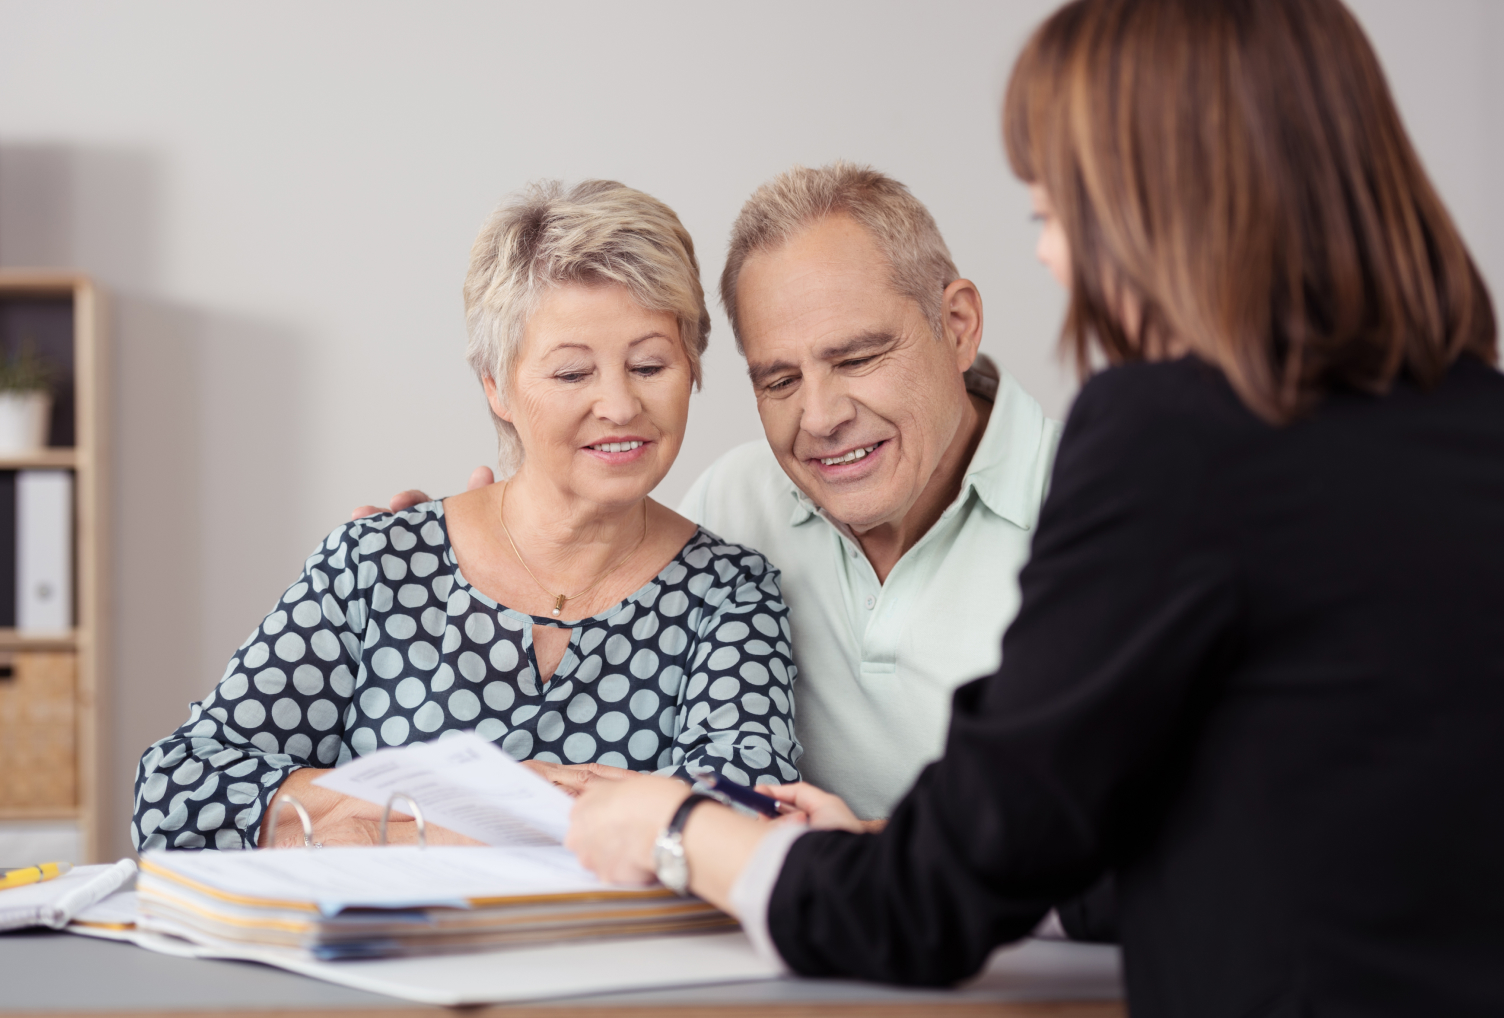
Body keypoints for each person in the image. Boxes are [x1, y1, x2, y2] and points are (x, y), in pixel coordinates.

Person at [565, 0, 1504, 1013]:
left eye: (1054, 212)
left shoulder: (1171, 438)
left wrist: (682, 831)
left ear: (1159, 199)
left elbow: (925, 910)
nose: (1053, 256)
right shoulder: (1475, 428)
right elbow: (1243, 829)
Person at [364, 162, 1063, 828]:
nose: (820, 418)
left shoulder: (1112, 508)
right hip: (813, 937)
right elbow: (606, 572)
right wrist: (445, 551)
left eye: (856, 359)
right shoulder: (738, 499)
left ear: (960, 325)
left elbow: (1145, 832)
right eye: (779, 380)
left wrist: (874, 852)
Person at [131, 179, 801, 851]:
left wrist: (384, 817)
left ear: (693, 370)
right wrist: (459, 799)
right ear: (497, 387)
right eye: (572, 374)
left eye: (650, 364)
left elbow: (741, 824)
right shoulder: (377, 562)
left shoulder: (731, 593)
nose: (621, 406)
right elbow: (178, 790)